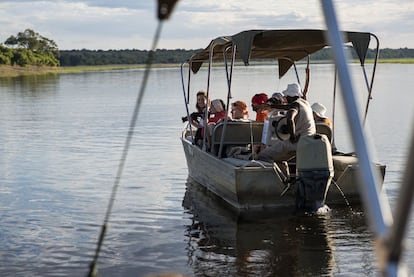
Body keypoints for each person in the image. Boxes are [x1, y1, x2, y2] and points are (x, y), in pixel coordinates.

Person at [257, 83, 316, 162]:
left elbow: (290, 119)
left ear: (290, 96)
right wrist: (272, 106)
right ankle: (282, 166)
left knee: (263, 155)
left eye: (287, 97)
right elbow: (289, 106)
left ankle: (276, 171)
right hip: (309, 140)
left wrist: (292, 136)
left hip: (298, 141)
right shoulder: (305, 103)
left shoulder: (295, 106)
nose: (286, 99)